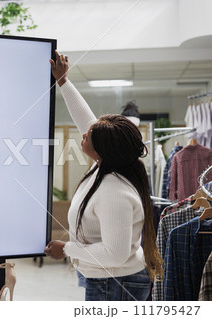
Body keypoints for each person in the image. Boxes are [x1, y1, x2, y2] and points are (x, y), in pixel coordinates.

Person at [44, 51, 163, 301]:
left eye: (90, 136)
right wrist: (63, 80)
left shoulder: (113, 190)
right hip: (109, 279)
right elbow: (85, 120)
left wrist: (66, 249)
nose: (84, 134)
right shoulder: (105, 165)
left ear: (103, 149)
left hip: (116, 282)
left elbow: (115, 254)